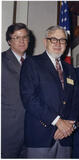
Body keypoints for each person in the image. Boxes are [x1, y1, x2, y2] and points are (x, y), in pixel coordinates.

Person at [20, 26, 79, 158]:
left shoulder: (70, 69)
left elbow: (75, 101)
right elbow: (29, 99)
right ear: (45, 41)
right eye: (54, 39)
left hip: (65, 139)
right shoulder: (32, 63)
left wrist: (69, 126)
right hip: (40, 137)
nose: (58, 44)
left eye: (62, 40)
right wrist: (58, 122)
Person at [2, 23, 30, 158]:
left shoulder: (34, 64)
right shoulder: (1, 61)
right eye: (17, 37)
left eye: (25, 37)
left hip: (31, 133)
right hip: (7, 133)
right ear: (9, 41)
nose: (22, 41)